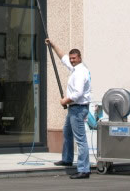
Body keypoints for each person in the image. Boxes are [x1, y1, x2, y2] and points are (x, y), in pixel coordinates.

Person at [46, 38, 92, 179]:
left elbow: (78, 93)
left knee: (80, 139)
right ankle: (67, 159)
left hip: (78, 108)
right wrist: (53, 45)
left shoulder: (80, 72)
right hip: (74, 109)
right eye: (71, 58)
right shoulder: (74, 68)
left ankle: (84, 169)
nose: (71, 60)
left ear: (79, 58)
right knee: (67, 131)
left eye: (74, 58)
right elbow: (63, 57)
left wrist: (65, 100)